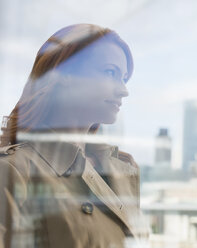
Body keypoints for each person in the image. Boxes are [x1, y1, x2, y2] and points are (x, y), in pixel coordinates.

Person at [0, 24, 148, 248]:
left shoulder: (121, 169)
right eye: (110, 73)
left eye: (124, 78)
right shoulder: (14, 171)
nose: (123, 90)